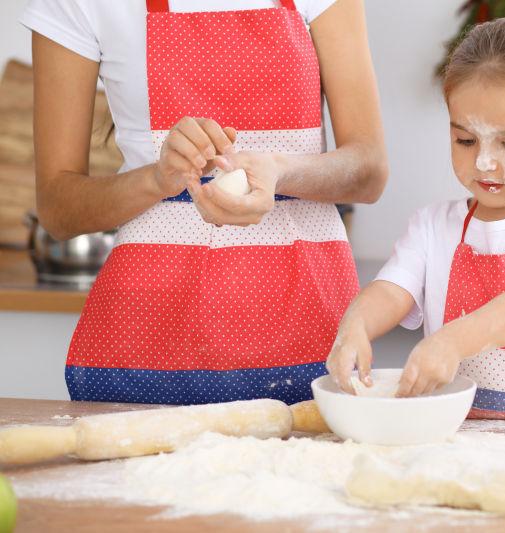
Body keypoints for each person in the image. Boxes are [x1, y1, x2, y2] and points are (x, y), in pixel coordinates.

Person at [21, 0, 387, 404]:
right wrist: (157, 179)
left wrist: (280, 171)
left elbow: (369, 170)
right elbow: (58, 208)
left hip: (306, 317)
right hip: (149, 329)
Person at [326, 17, 505, 421]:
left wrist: (452, 342)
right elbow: (390, 290)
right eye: (465, 140)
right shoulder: (432, 226)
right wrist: (354, 327)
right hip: (457, 432)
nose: (484, 162)